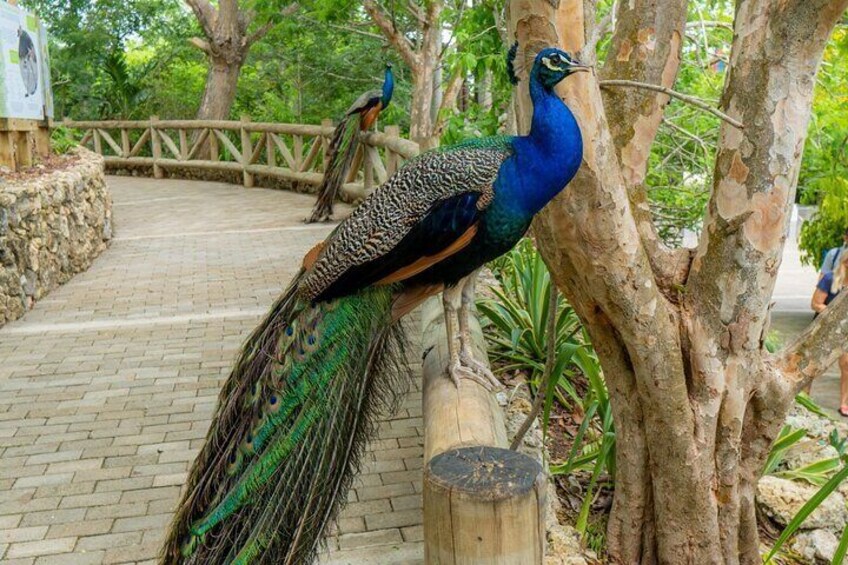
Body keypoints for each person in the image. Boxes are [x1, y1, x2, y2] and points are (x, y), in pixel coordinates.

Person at [811, 251, 848, 417]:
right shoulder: (829, 279)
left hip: (846, 330)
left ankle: (844, 402)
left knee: (846, 365)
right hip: (826, 327)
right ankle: (805, 397)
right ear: (844, 262)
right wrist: (836, 314)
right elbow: (815, 304)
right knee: (813, 364)